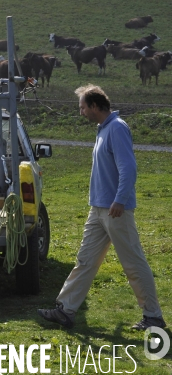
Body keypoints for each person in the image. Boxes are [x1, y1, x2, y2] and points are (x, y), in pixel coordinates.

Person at [38, 84, 165, 330]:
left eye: (83, 107)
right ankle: (66, 310)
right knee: (85, 261)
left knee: (133, 263)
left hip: (116, 209)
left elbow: (129, 168)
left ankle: (153, 316)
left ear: (95, 106)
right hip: (97, 210)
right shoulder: (103, 130)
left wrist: (119, 199)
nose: (81, 112)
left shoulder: (117, 129)